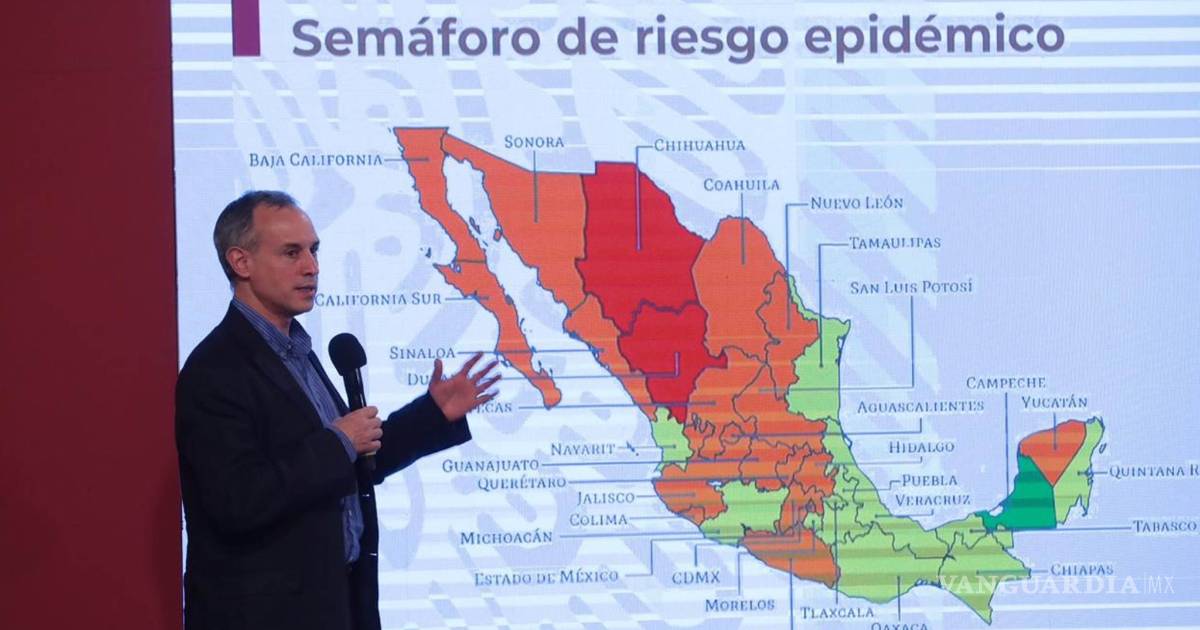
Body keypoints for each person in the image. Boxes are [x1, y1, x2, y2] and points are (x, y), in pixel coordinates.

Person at [175, 190, 498, 630]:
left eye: (314, 250)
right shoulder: (216, 370)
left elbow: (351, 465)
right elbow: (238, 501)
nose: (312, 267)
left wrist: (433, 414)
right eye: (291, 253)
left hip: (338, 606)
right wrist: (338, 441)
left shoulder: (298, 354)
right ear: (241, 262)